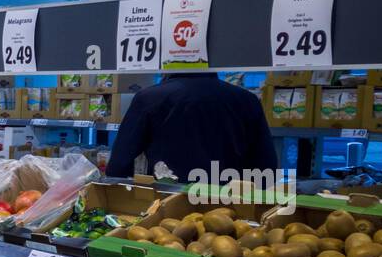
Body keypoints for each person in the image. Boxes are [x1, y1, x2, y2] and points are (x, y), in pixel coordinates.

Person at [105, 72, 278, 181]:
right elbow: (266, 165)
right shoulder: (247, 100)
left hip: (168, 204)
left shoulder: (149, 98)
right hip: (228, 206)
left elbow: (119, 164)